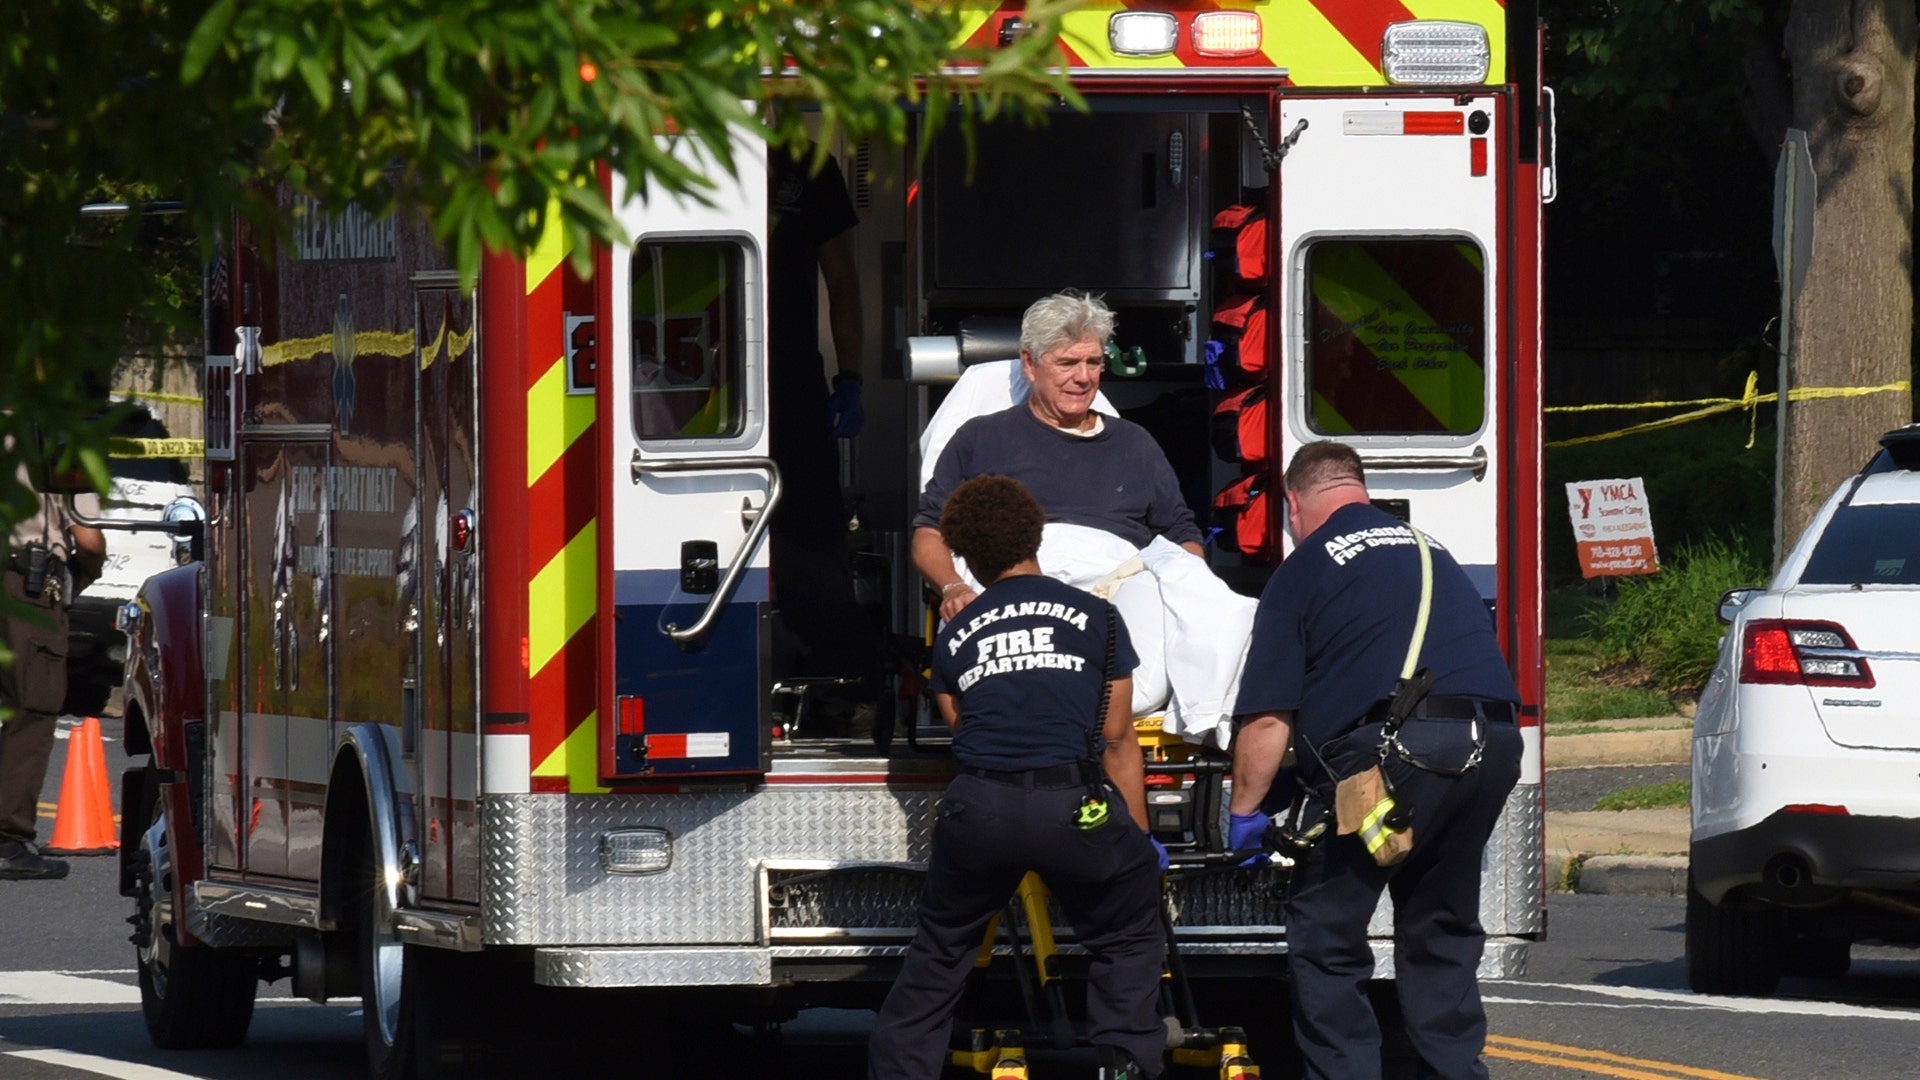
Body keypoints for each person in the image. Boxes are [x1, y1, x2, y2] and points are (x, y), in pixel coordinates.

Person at [1226, 440, 1522, 1080]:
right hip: (1493, 743)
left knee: (1327, 934)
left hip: (1395, 756)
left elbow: (1269, 717)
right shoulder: (1431, 548)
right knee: (1440, 925)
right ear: (1358, 489)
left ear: (1294, 505)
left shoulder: (1302, 569)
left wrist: (1245, 811)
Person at [869, 475, 1169, 1080]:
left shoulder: (957, 629)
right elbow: (1115, 735)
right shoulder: (1100, 619)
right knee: (1129, 936)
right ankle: (1125, 1064)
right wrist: (1137, 840)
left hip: (981, 806)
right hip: (1073, 804)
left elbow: (963, 725)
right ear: (1035, 537)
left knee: (940, 950)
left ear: (968, 557)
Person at [913, 291, 1254, 747]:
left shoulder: (1134, 444)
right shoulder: (982, 438)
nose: (1083, 378)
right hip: (1014, 577)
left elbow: (1180, 535)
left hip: (1117, 584)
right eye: (1068, 363)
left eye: (1093, 363)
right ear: (1030, 365)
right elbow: (929, 531)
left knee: (1212, 606)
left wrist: (1185, 587)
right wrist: (953, 587)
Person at [766, 143, 881, 733]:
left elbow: (842, 279)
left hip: (788, 377)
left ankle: (836, 684)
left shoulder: (805, 166)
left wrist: (851, 376)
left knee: (811, 530)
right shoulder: (679, 141)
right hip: (700, 377)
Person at [0, 453, 106, 881]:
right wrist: (81, 577)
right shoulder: (55, 430)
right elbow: (89, 539)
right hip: (23, 582)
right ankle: (8, 838)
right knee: (32, 705)